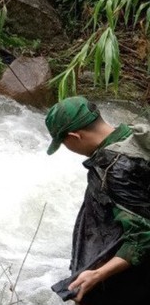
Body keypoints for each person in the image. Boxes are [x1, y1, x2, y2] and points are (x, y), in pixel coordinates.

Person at [44, 96, 150, 304]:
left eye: (63, 143)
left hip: (132, 282)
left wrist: (97, 274)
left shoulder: (116, 169)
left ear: (75, 136)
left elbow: (143, 236)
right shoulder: (134, 137)